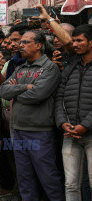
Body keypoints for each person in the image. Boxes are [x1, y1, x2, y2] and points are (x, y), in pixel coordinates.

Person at [0, 31, 64, 200]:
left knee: (48, 178)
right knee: (25, 179)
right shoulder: (20, 68)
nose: (20, 45)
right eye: (20, 42)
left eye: (25, 42)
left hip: (40, 132)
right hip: (18, 130)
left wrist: (16, 92)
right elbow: (3, 90)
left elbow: (37, 95)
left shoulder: (50, 68)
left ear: (38, 45)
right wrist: (25, 87)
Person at [55, 24, 92, 200]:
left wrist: (85, 125)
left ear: (91, 43)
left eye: (79, 40)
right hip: (70, 134)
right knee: (70, 185)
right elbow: (59, 96)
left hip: (89, 134)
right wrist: (62, 122)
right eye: (74, 40)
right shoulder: (71, 66)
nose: (75, 44)